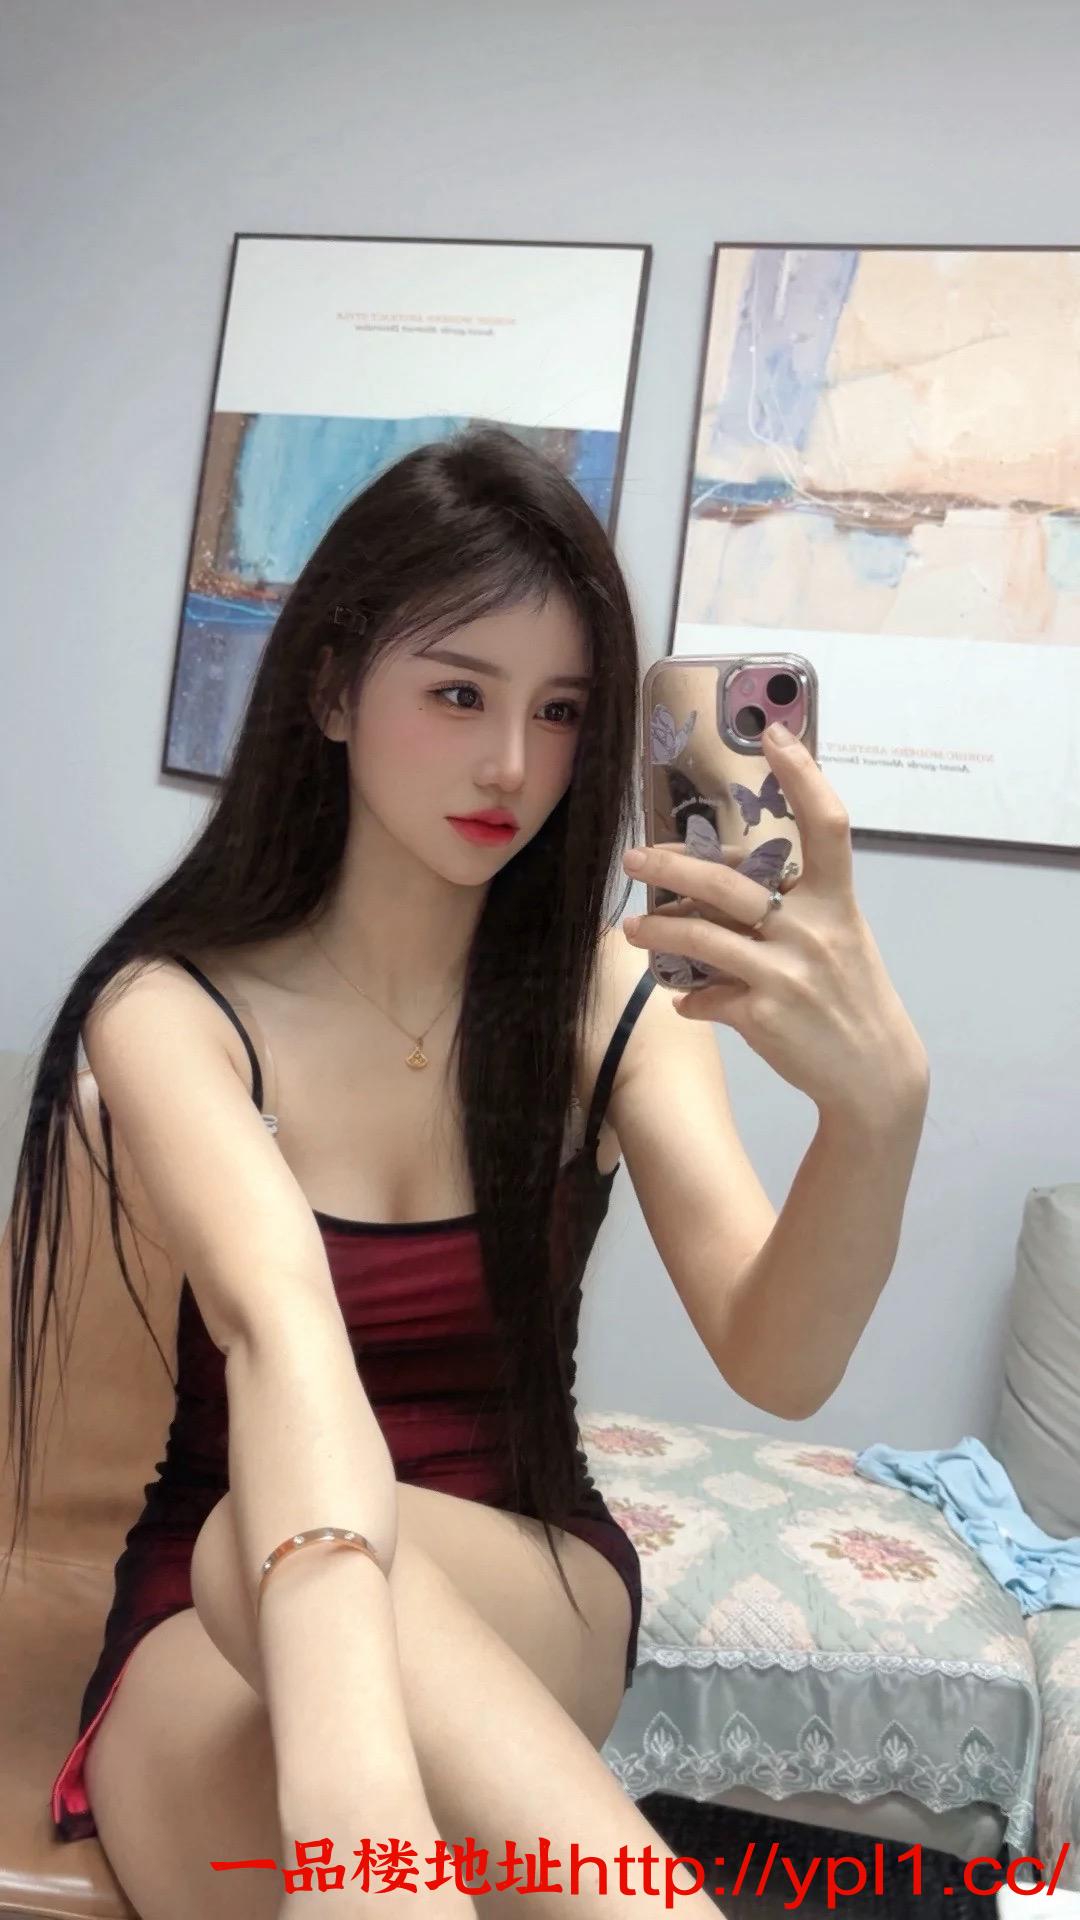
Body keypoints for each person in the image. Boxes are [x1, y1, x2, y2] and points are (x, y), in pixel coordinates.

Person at [3, 425, 928, 1920]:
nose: (511, 764)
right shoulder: (174, 1007)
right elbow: (277, 1323)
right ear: (331, 690)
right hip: (212, 1598)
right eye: (458, 693)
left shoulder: (608, 1001)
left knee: (289, 1546)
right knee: (269, 1550)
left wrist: (877, 1118)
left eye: (561, 712)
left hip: (524, 1572)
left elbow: (783, 1359)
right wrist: (358, 1817)